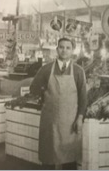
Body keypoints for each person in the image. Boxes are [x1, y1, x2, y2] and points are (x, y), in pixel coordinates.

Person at [30, 37, 88, 170]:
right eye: (61, 47)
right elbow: (34, 88)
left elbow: (83, 97)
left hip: (70, 123)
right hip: (50, 122)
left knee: (70, 160)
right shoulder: (46, 69)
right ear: (57, 49)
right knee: (48, 159)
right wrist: (44, 92)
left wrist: (80, 117)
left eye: (68, 48)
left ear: (72, 51)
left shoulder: (79, 71)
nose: (64, 50)